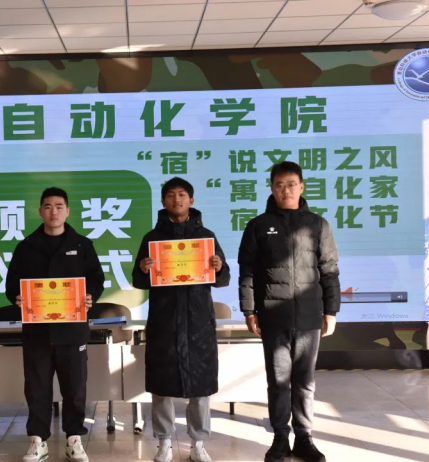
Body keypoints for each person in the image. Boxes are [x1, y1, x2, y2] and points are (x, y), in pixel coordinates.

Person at [238, 161, 340, 462]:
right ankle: (280, 437)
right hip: (273, 315)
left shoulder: (318, 224)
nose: (286, 190)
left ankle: (304, 437)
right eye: (280, 185)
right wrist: (249, 310)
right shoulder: (258, 226)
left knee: (305, 381)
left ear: (302, 187)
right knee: (279, 380)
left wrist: (331, 311)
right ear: (272, 188)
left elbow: (329, 271)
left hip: (309, 314)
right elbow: (247, 272)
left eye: (292, 184)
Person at [132, 177, 230, 462]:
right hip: (164, 321)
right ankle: (164, 441)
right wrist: (143, 269)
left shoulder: (206, 237)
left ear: (192, 200)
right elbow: (138, 280)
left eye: (182, 194)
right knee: (162, 384)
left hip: (198, 322)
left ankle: (198, 443)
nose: (177, 199)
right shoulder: (152, 238)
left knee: (200, 385)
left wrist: (218, 267)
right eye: (171, 195)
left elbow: (223, 278)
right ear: (163, 201)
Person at [6, 187, 105, 462]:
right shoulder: (26, 246)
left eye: (59, 206)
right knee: (37, 388)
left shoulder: (82, 245)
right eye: (48, 206)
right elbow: (12, 283)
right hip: (37, 331)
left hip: (72, 330)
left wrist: (90, 296)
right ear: (40, 211)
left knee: (75, 388)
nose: (54, 212)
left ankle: (74, 439)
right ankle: (38, 441)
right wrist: (17, 297)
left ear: (67, 211)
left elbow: (96, 279)